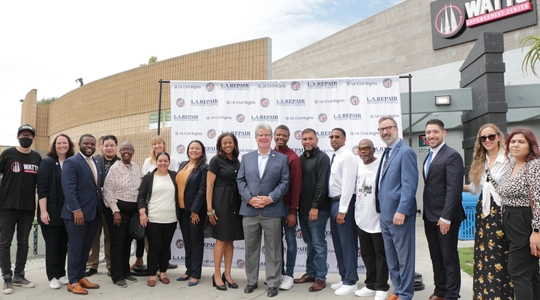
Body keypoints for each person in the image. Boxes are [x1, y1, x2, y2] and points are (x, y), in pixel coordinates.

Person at [237, 123, 289, 298]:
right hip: (249, 210)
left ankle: (273, 283)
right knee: (250, 249)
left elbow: (284, 183)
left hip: (272, 210)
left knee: (274, 249)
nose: (264, 137)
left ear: (272, 137)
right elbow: (240, 181)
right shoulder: (246, 158)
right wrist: (250, 199)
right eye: (260, 135)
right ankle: (251, 281)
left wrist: (269, 199)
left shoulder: (281, 159)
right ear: (256, 137)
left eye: (267, 134)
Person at [464, 123, 514, 299]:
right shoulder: (480, 160)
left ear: (499, 137)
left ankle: (500, 295)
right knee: (483, 255)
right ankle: (483, 295)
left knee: (500, 256)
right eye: (483, 138)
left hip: (502, 211)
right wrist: (454, 187)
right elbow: (476, 188)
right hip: (484, 212)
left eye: (491, 136)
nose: (487, 140)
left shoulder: (509, 158)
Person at [375, 116, 418, 300]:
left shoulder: (405, 152)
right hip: (385, 215)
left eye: (388, 127)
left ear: (396, 129)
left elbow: (409, 185)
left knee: (403, 257)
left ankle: (406, 294)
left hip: (399, 214)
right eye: (382, 129)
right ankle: (398, 289)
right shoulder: (387, 152)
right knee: (391, 256)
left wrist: (401, 210)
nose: (385, 131)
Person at [422, 119, 465, 300]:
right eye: (428, 133)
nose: (431, 136)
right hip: (430, 217)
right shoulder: (430, 155)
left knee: (449, 258)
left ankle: (452, 295)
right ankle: (440, 291)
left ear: (443, 133)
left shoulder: (452, 155)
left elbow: (454, 189)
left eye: (435, 132)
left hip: (446, 218)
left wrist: (446, 217)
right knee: (436, 257)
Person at [496, 128, 540, 300]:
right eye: (513, 141)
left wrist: (536, 231)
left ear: (531, 145)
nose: (515, 145)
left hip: (525, 222)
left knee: (518, 272)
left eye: (521, 142)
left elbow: (539, 199)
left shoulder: (534, 166)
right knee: (531, 273)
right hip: (511, 221)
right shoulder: (512, 165)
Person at [0, 124, 41, 294]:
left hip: (27, 208)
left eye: (29, 135)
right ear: (17, 137)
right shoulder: (7, 154)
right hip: (6, 206)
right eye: (23, 135)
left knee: (23, 243)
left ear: (33, 138)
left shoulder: (37, 157)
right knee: (4, 242)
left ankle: (19, 275)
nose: (26, 137)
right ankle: (7, 278)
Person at [61, 134, 103, 295]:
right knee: (75, 248)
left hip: (93, 213)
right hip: (77, 214)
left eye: (92, 144)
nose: (89, 146)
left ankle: (80, 276)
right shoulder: (72, 162)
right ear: (79, 144)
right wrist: (76, 210)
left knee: (85, 248)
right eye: (86, 143)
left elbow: (94, 187)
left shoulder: (96, 162)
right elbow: (69, 188)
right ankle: (72, 281)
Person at [294, 128, 330, 292]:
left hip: (318, 210)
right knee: (309, 243)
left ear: (316, 140)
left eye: (310, 139)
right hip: (303, 210)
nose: (307, 142)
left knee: (318, 244)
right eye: (304, 139)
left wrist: (315, 206)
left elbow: (322, 185)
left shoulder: (322, 158)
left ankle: (321, 277)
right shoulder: (300, 159)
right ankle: (311, 272)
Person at [206, 132, 244, 291]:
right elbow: (209, 185)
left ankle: (227, 274)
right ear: (220, 145)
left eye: (230, 142)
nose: (227, 145)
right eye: (224, 143)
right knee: (221, 240)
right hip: (220, 202)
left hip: (235, 203)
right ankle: (216, 274)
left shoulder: (237, 162)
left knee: (230, 240)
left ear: (234, 144)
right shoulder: (216, 161)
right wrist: (209, 209)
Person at [135, 136, 179, 270]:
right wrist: (142, 212)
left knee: (165, 246)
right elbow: (142, 195)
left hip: (170, 218)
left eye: (165, 161)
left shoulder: (174, 176)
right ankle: (152, 273)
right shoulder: (149, 175)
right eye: (160, 161)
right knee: (154, 247)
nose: (163, 163)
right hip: (153, 217)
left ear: (169, 162)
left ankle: (163, 271)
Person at [37, 134, 75, 290]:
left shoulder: (72, 162)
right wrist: (43, 211)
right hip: (51, 211)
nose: (62, 145)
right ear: (54, 145)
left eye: (64, 143)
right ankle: (52, 276)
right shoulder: (47, 163)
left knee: (63, 245)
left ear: (69, 145)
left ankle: (61, 273)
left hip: (68, 213)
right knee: (52, 245)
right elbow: (42, 188)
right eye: (59, 143)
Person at [354, 139, 389, 300]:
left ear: (373, 149)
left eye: (366, 148)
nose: (363, 151)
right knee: (367, 255)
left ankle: (382, 287)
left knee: (380, 254)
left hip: (378, 218)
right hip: (362, 218)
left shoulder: (381, 165)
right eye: (360, 148)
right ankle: (370, 284)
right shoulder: (358, 165)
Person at [102, 141, 141, 287]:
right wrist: (115, 211)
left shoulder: (136, 167)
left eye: (129, 149)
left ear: (133, 151)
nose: (126, 151)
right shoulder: (115, 168)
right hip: (118, 211)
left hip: (133, 212)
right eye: (123, 149)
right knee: (117, 243)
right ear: (120, 151)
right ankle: (116, 275)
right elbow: (108, 190)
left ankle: (126, 271)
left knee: (127, 242)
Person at [327, 128, 358, 296]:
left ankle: (351, 281)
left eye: (337, 137)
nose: (334, 139)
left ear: (344, 139)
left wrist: (343, 210)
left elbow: (348, 185)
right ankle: (344, 275)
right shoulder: (336, 157)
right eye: (331, 137)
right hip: (333, 202)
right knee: (338, 243)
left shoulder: (347, 157)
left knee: (347, 243)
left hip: (343, 203)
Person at [175, 140, 208, 287]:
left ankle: (195, 273)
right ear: (187, 150)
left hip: (195, 212)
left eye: (197, 148)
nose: (194, 150)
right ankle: (188, 270)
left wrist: (195, 210)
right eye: (191, 148)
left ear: (202, 152)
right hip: (181, 211)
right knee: (187, 242)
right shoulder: (183, 165)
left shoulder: (204, 168)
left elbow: (202, 190)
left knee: (195, 242)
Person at [86, 135, 119, 277]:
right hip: (96, 205)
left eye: (112, 145)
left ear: (116, 146)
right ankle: (92, 265)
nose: (109, 148)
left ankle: (111, 264)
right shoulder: (95, 161)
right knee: (93, 236)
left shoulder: (120, 162)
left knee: (110, 237)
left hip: (113, 207)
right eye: (106, 146)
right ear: (101, 146)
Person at [273, 125, 302, 291]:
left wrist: (292, 211)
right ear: (274, 136)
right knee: (275, 242)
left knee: (290, 240)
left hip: (286, 206)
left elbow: (296, 187)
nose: (280, 138)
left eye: (284, 135)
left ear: (288, 137)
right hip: (272, 206)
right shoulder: (270, 154)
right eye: (278, 135)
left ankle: (289, 275)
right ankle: (279, 273)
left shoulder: (293, 158)